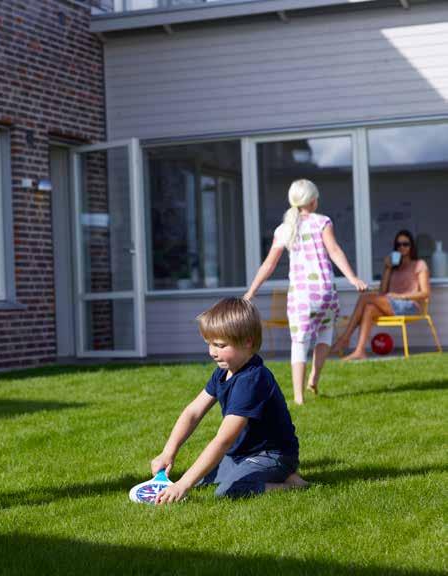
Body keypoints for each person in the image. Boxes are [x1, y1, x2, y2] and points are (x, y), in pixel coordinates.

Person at [151, 297, 308, 504]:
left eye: (220, 345)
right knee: (199, 478)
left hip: (271, 454)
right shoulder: (223, 372)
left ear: (247, 342)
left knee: (229, 491)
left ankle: (291, 484)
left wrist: (183, 485)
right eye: (209, 344)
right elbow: (193, 413)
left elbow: (223, 440)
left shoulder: (252, 380)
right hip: (241, 454)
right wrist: (168, 452)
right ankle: (277, 475)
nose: (212, 352)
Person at [243, 179, 367, 404]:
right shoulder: (323, 222)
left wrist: (251, 290)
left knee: (299, 343)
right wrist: (352, 278)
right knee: (325, 335)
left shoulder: (284, 229)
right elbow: (335, 251)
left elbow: (269, 265)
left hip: (301, 296)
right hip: (325, 292)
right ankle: (314, 378)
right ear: (312, 200)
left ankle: (299, 397)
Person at [332, 230, 430, 361]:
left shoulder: (419, 264)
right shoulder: (394, 267)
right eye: (398, 244)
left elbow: (425, 293)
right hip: (392, 303)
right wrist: (387, 268)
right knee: (369, 308)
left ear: (411, 246)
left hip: (409, 305)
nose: (402, 247)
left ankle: (344, 338)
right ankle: (360, 351)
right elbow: (383, 292)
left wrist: (401, 296)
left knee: (365, 298)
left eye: (405, 244)